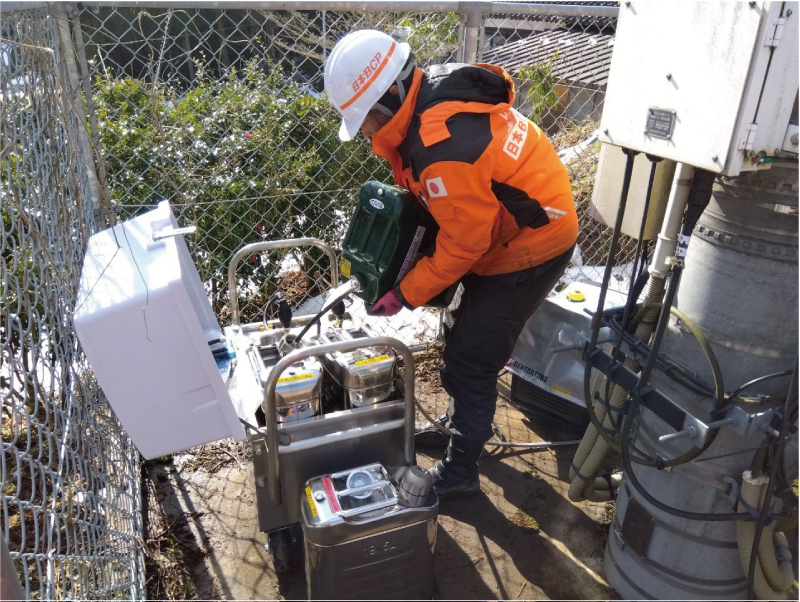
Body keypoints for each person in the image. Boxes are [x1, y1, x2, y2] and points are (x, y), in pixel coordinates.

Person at [323, 30, 578, 500]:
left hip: (532, 241)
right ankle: (462, 426)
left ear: (391, 94)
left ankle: (461, 470)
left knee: (471, 358)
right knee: (460, 332)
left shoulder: (442, 147)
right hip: (504, 226)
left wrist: (405, 293)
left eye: (366, 119)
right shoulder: (428, 99)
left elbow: (465, 244)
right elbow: (461, 218)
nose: (365, 132)